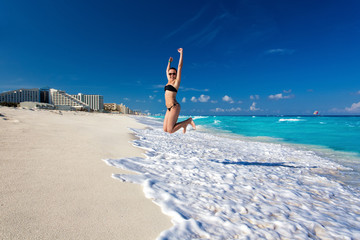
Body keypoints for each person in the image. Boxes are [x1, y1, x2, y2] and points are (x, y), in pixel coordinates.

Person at [163, 48, 196, 134]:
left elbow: (179, 66)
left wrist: (181, 53)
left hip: (174, 106)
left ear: (176, 74)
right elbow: (167, 70)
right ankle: (184, 124)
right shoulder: (168, 81)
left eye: (174, 73)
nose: (172, 75)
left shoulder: (176, 82)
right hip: (168, 108)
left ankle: (187, 121)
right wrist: (169, 62)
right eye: (170, 74)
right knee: (165, 129)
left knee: (170, 130)